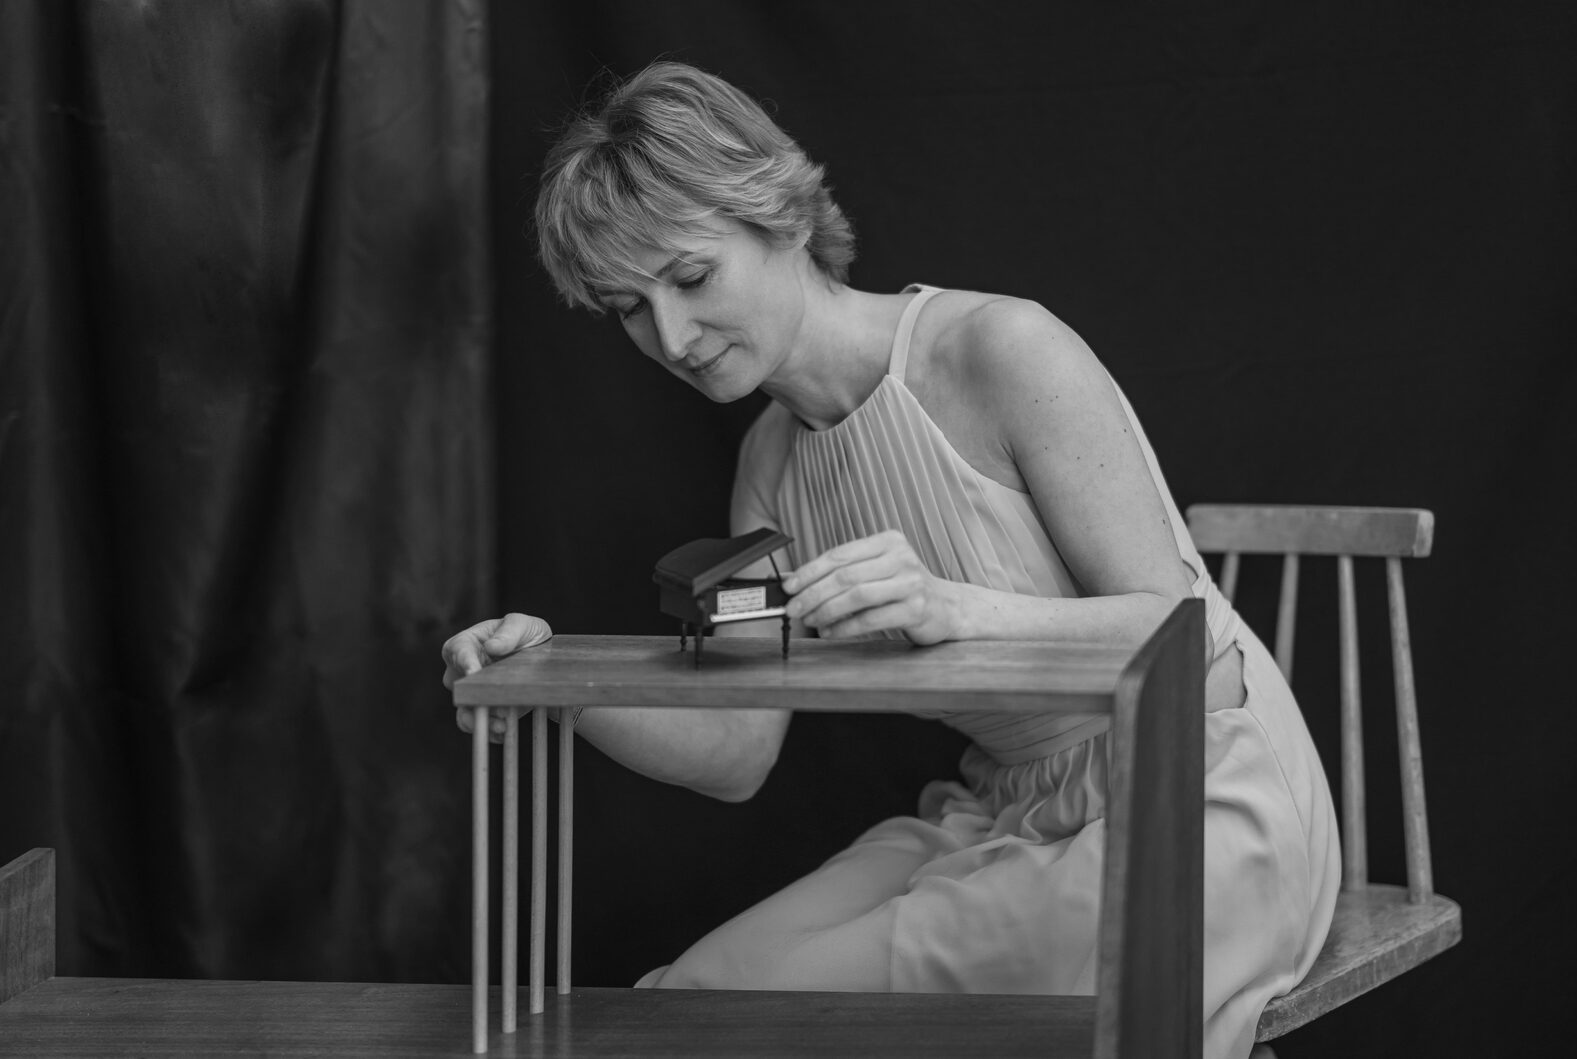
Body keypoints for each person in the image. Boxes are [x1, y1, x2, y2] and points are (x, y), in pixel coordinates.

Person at [440, 60, 1338, 1059]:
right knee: (692, 1002)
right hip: (1011, 807)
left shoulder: (1000, 349)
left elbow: (1180, 628)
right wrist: (555, 682)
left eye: (690, 278)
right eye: (629, 308)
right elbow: (737, 751)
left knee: (846, 1023)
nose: (673, 336)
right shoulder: (766, 470)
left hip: (1200, 792)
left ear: (778, 217)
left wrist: (958, 611)